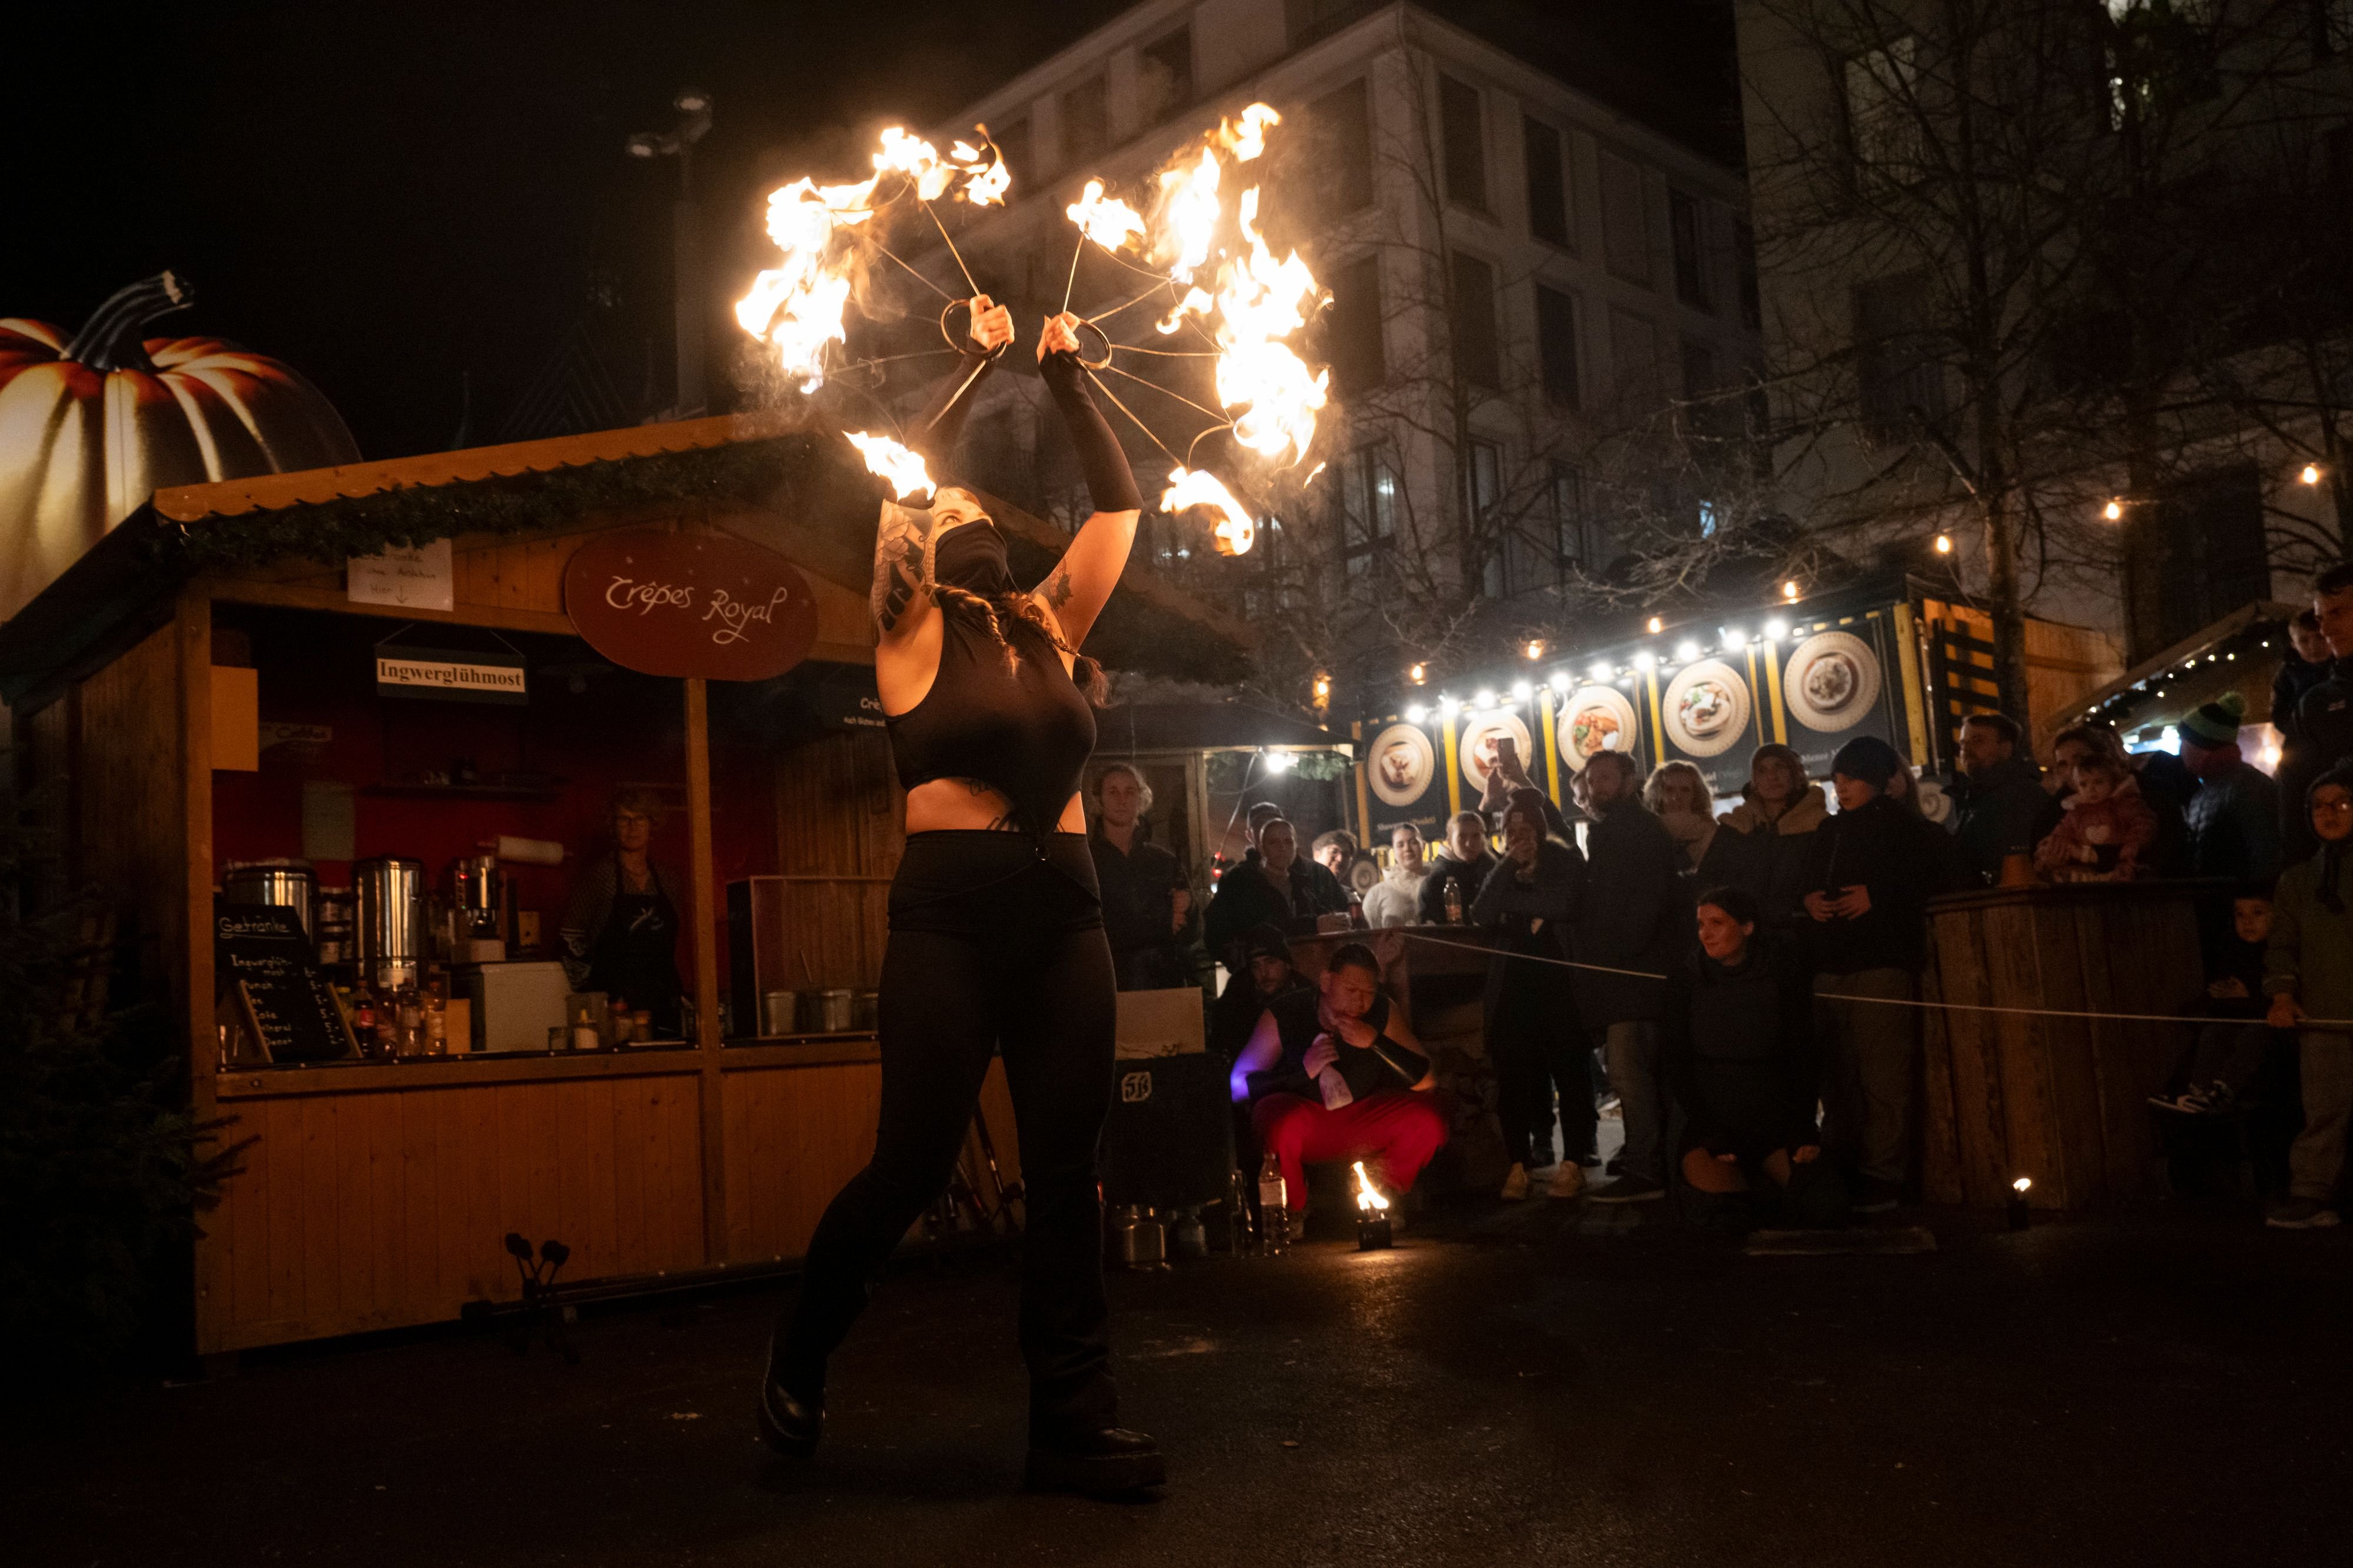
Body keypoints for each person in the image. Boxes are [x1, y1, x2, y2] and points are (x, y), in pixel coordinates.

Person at [764, 300, 1165, 1495]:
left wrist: (1062, 377)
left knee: (1065, 1169)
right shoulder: (905, 626)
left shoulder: (1046, 622)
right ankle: (801, 1347)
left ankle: (1072, 1421)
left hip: (1065, 917)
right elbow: (898, 481)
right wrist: (971, 361)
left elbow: (1118, 510)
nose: (961, 509)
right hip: (947, 920)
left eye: (971, 506)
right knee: (912, 1162)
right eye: (945, 511)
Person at [1803, 735, 1945, 1215]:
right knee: (1837, 1079)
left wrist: (1878, 897)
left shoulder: (1907, 829)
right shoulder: (1829, 831)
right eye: (1838, 779)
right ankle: (1843, 1167)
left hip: (1880, 965)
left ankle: (1883, 1175)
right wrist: (1810, 901)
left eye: (1852, 779)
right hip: (1831, 965)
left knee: (1884, 1078)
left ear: (1879, 781)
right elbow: (1805, 882)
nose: (1842, 788)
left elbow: (1937, 879)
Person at [1664, 886, 1845, 1230]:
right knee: (1721, 1217)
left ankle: (1766, 1184)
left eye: (1717, 923)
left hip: (1771, 1116)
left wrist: (1804, 1128)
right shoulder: (1686, 980)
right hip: (1712, 1119)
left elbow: (1803, 1054)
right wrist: (1708, 1131)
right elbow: (1676, 1063)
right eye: (1701, 924)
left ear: (1747, 927)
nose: (1706, 933)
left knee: (1824, 1205)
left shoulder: (1780, 975)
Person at [1230, 942, 1448, 1219]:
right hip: (1308, 1118)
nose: (1360, 1003)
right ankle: (1293, 1206)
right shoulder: (1286, 1013)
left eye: (1369, 993)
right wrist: (1302, 1072)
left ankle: (1383, 1187)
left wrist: (1376, 1042)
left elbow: (1427, 1080)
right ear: (1326, 982)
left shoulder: (1380, 1012)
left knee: (1428, 1119)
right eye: (1351, 991)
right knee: (1277, 1122)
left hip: (1363, 1115)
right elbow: (1238, 1086)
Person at [1572, 750, 1691, 1203]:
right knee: (1638, 1070)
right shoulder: (1614, 830)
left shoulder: (1633, 829)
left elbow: (1648, 900)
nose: (1598, 786)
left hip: (1635, 974)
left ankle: (1647, 1166)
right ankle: (1653, 1157)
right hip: (1629, 973)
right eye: (1593, 779)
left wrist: (1615, 952)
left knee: (1628, 1071)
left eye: (1606, 777)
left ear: (1627, 781)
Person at [1474, 789, 1592, 1200]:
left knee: (1571, 1073)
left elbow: (1561, 904)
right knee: (1514, 1078)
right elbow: (1482, 912)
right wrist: (1507, 866)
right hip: (1514, 990)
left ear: (1540, 832)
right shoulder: (1503, 871)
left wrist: (1516, 900)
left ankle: (1574, 1160)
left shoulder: (1564, 863)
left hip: (1560, 987)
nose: (1517, 837)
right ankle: (1518, 1164)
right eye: (1509, 831)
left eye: (1524, 830)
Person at [2262, 763, 2353, 1229]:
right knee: (2324, 1111)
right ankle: (2312, 1194)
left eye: (2341, 803)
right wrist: (2282, 995)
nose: (2330, 813)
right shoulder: (2299, 881)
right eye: (2320, 806)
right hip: (2325, 1015)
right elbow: (2283, 946)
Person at [559, 786, 686, 1038]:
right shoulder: (601, 877)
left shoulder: (668, 880)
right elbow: (570, 934)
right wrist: (590, 993)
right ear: (613, 826)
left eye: (640, 818)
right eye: (624, 819)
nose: (633, 826)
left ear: (652, 826)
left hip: (664, 1001)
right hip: (617, 1006)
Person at [2153, 891, 2278, 1116]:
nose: (2247, 921)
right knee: (2214, 1033)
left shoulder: (2278, 952)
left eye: (2257, 913)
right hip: (2235, 1019)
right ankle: (2198, 1090)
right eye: (2240, 915)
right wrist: (2217, 995)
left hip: (2270, 1025)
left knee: (2253, 1036)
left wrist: (2249, 996)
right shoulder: (2233, 950)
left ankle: (2224, 1091)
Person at [1696, 743, 1827, 930]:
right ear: (1754, 781)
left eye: (1780, 767)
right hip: (1746, 942)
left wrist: (1803, 901)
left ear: (1795, 774)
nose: (1771, 777)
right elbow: (1708, 886)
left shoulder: (1818, 826)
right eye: (1762, 770)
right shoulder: (1735, 829)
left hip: (1801, 939)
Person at [1088, 762, 1195, 991]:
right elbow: (1087, 933)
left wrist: (1187, 909)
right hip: (1107, 986)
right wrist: (1161, 925)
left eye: (1130, 791)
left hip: (1162, 985)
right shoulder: (1086, 863)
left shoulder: (1164, 862)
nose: (1122, 799)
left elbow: (1191, 933)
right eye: (1113, 792)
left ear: (1141, 799)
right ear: (1099, 800)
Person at [1947, 712, 2061, 885]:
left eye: (1978, 740)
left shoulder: (2023, 796)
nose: (1966, 750)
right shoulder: (1975, 798)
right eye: (1963, 743)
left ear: (2006, 748)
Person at [2181, 693, 2282, 886]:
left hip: (2241, 906)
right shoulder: (2206, 791)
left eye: (2184, 742)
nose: (2181, 751)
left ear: (2202, 746)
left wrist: (2254, 897)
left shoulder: (2249, 786)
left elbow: (2266, 851)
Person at [1204, 817, 1335, 957]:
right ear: (1261, 848)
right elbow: (1259, 929)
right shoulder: (1244, 885)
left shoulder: (1302, 885)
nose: (1282, 848)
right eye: (1273, 842)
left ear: (1296, 847)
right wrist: (1314, 925)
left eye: (1288, 842)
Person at [2033, 748, 2158, 882]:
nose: (2091, 789)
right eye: (2084, 784)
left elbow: (2143, 823)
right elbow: (2063, 832)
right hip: (2086, 865)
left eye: (2098, 782)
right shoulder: (2076, 811)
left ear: (2113, 781)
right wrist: (2048, 849)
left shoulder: (2124, 804)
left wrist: (2134, 844)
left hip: (2120, 860)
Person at [2274, 610, 2334, 865]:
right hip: (2302, 755)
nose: (2313, 647)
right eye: (2304, 641)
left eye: (2318, 638)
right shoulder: (2288, 676)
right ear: (2294, 644)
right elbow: (2281, 717)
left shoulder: (2338, 671)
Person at [1208, 922, 1308, 1069]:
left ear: (1287, 964)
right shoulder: (1238, 998)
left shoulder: (1305, 994)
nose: (1264, 973)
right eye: (1256, 966)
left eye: (1270, 962)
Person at [1418, 810, 1499, 923]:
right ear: (1449, 841)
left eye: (1476, 836)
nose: (1469, 843)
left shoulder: (1493, 870)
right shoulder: (1437, 881)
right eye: (1462, 837)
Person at [1644, 760, 1717, 873]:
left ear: (1696, 794)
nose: (1677, 797)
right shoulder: (1648, 828)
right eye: (1669, 790)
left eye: (1685, 790)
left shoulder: (1709, 829)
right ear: (1658, 793)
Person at [1361, 823, 1432, 927]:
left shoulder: (1439, 884)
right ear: (1393, 851)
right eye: (1400, 845)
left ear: (1424, 846)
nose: (1407, 849)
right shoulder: (1377, 894)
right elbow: (1372, 937)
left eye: (1413, 842)